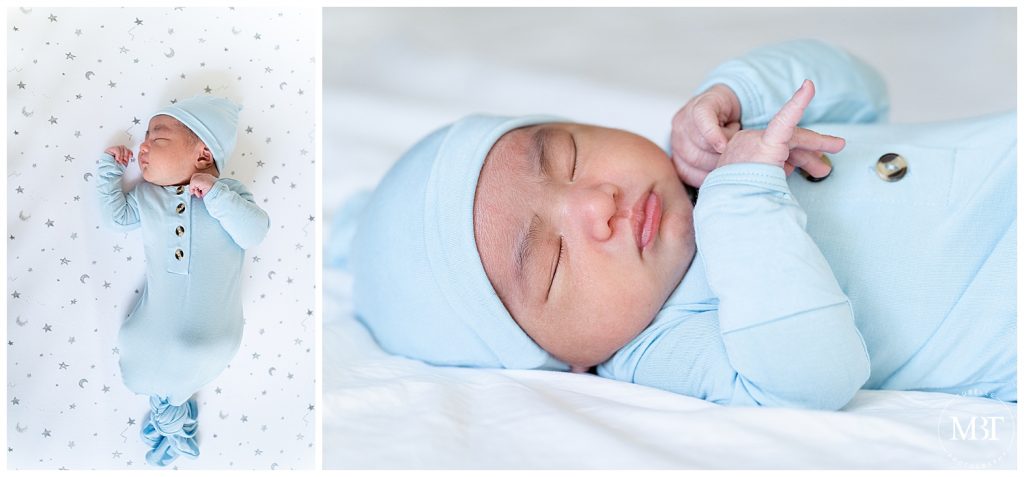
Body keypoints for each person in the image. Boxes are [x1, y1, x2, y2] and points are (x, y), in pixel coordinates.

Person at [345, 40, 1016, 411]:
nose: (595, 203)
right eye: (552, 259)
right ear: (565, 360)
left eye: (569, 155)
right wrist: (741, 200)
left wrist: (739, 94)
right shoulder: (656, 346)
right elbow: (816, 376)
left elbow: (866, 89)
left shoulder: (708, 150)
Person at [97, 95, 270, 466]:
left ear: (203, 155)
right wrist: (109, 171)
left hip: (214, 333)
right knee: (136, 350)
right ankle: (169, 407)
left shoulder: (229, 195)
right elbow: (114, 219)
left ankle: (174, 403)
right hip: (155, 328)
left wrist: (217, 193)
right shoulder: (147, 197)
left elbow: (255, 231)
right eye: (144, 138)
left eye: (157, 139)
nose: (143, 147)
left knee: (187, 357)